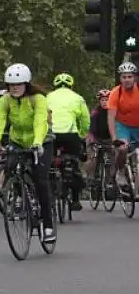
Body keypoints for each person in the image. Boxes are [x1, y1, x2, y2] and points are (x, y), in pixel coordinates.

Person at [0, 63, 55, 243]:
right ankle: (18, 195)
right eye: (11, 85)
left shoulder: (37, 99)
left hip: (41, 141)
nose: (14, 88)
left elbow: (40, 122)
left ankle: (48, 225)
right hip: (17, 141)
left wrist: (37, 143)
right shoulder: (4, 101)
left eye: (18, 84)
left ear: (27, 84)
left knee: (41, 180)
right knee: (10, 167)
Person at [46, 73, 89, 211]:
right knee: (74, 163)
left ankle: (50, 190)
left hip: (51, 133)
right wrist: (82, 135)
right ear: (71, 85)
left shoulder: (48, 97)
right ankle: (75, 199)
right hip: (70, 134)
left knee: (48, 163)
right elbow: (85, 120)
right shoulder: (78, 98)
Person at [108, 62, 139, 178]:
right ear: (120, 79)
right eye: (124, 77)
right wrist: (114, 138)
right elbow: (111, 117)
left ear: (135, 77)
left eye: (130, 77)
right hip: (123, 126)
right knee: (122, 149)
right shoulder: (116, 92)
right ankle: (120, 171)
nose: (127, 80)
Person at [84, 90, 111, 179]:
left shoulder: (113, 111)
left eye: (107, 100)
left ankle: (113, 178)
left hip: (109, 139)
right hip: (96, 137)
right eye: (102, 100)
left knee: (115, 156)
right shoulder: (95, 112)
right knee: (93, 158)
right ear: (99, 101)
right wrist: (92, 140)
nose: (105, 102)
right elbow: (91, 129)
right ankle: (89, 178)